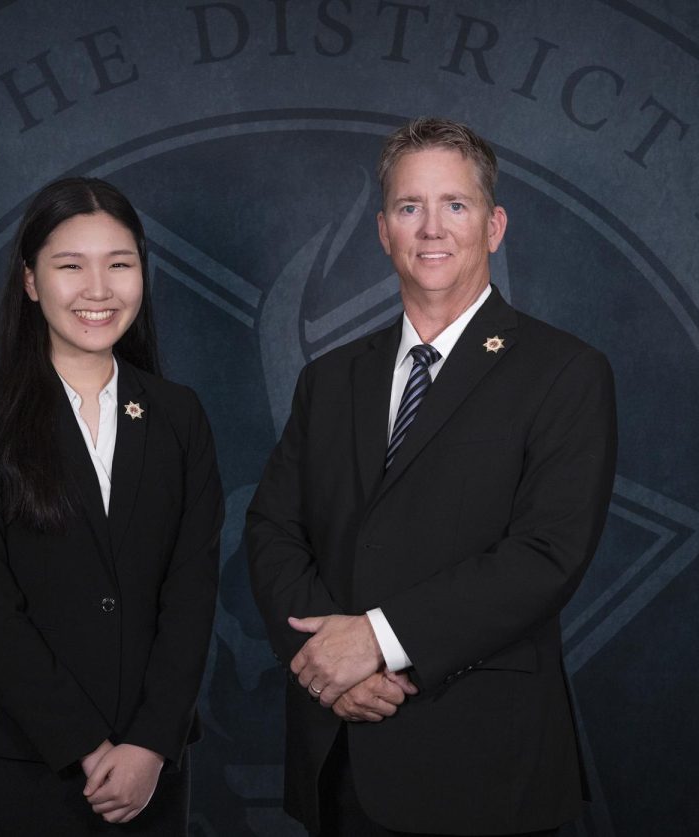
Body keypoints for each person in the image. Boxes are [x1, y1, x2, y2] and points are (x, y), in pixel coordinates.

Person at [246, 117, 618, 836]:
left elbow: (546, 554)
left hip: (481, 764)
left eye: (456, 204)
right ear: (383, 230)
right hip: (343, 750)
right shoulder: (329, 379)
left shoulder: (564, 372)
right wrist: (329, 661)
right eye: (409, 207)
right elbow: (272, 527)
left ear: (495, 224)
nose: (431, 228)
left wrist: (377, 640)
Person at [0, 177, 223, 834]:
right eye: (70, 266)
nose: (98, 289)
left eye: (119, 264)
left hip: (149, 773)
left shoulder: (179, 415)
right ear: (32, 281)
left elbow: (191, 594)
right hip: (15, 763)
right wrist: (87, 748)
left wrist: (148, 746)